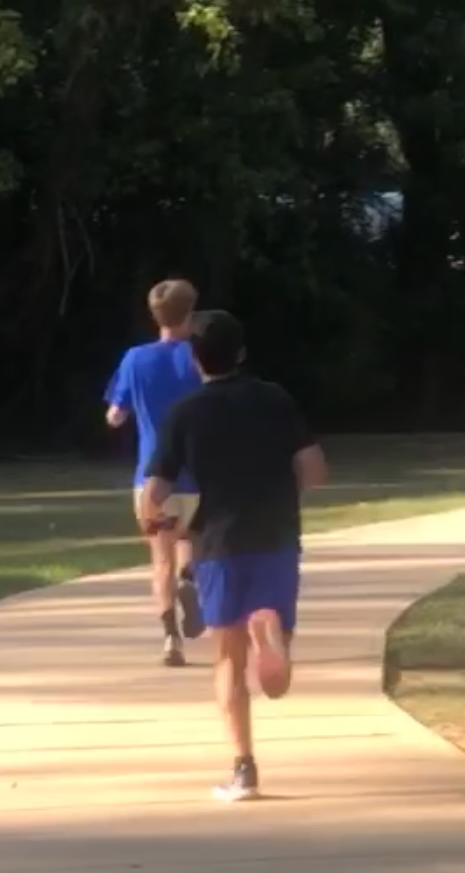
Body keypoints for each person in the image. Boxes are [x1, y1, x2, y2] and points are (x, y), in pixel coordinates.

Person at [138, 309, 327, 802]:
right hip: (278, 536)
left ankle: (243, 769)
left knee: (228, 661)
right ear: (242, 353)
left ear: (194, 357)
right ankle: (271, 627)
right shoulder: (275, 399)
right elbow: (314, 469)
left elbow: (154, 491)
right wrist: (286, 494)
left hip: (217, 545)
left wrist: (155, 522)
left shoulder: (186, 413)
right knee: (276, 676)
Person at [104, 278, 205, 667]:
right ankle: (190, 580)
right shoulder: (200, 357)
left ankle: (170, 639)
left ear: (154, 315)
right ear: (191, 312)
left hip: (151, 480)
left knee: (159, 558)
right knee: (190, 541)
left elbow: (115, 416)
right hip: (197, 477)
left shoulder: (134, 359)